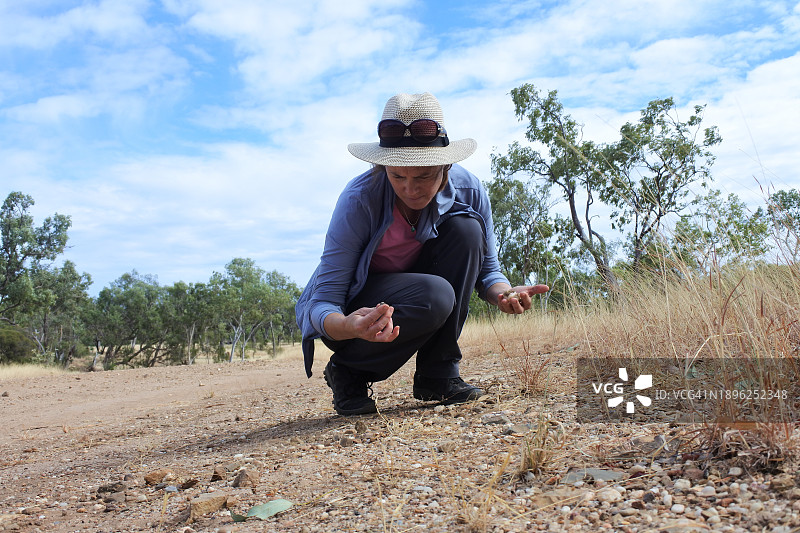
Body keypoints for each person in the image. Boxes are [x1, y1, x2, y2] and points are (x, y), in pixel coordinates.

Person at [295, 92, 549, 416]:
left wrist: (504, 294)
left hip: (420, 292)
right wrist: (348, 325)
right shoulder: (359, 200)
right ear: (381, 165)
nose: (410, 188)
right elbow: (323, 300)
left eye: (424, 175)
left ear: (446, 165)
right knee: (435, 294)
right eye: (397, 175)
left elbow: (488, 271)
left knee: (467, 231)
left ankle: (438, 375)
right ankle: (349, 371)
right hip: (358, 312)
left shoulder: (469, 190)